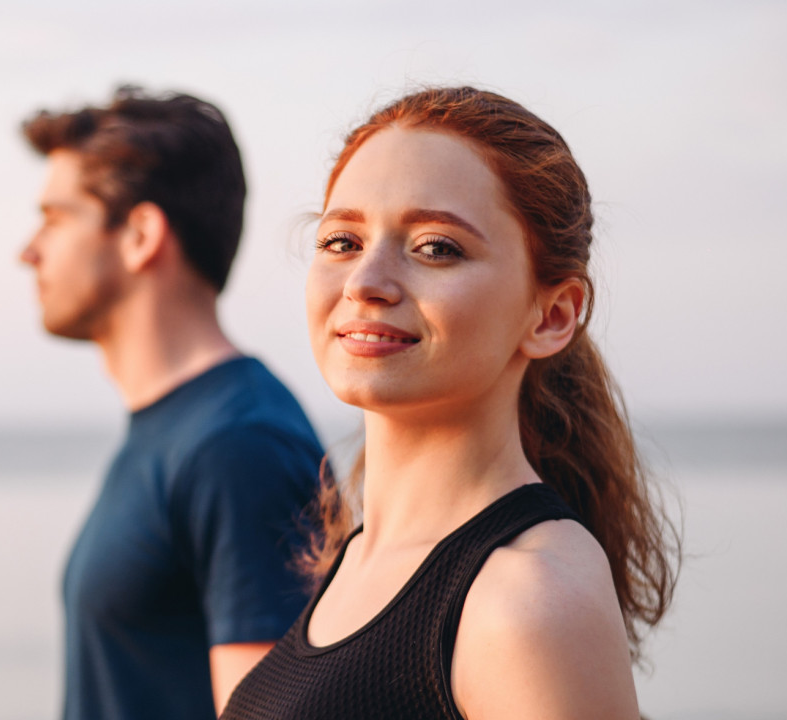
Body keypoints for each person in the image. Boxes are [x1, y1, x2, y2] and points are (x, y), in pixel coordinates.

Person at [221, 86, 679, 719]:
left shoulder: (528, 596)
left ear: (551, 316)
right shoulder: (355, 555)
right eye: (341, 242)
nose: (365, 283)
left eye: (436, 247)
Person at [18, 86, 324, 720]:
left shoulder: (239, 446)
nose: (29, 251)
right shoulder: (180, 428)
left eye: (54, 218)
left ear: (139, 234)